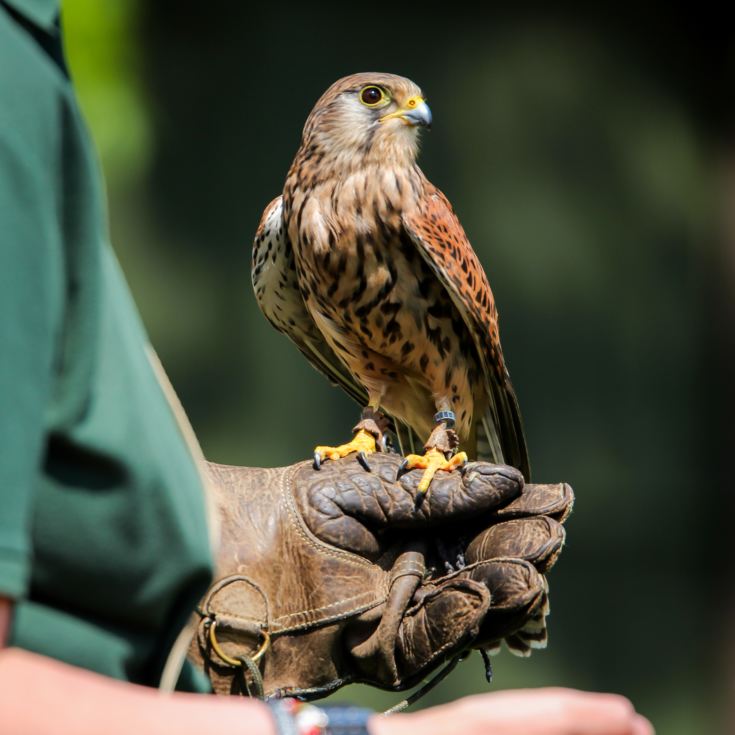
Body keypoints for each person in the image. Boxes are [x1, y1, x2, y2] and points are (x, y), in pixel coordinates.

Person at [0, 1, 653, 733]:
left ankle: (431, 444)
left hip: (450, 392)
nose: (408, 110)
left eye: (409, 102)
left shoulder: (415, 207)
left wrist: (448, 429)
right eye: (377, 98)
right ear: (323, 121)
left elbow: (479, 349)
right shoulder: (285, 221)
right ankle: (375, 426)